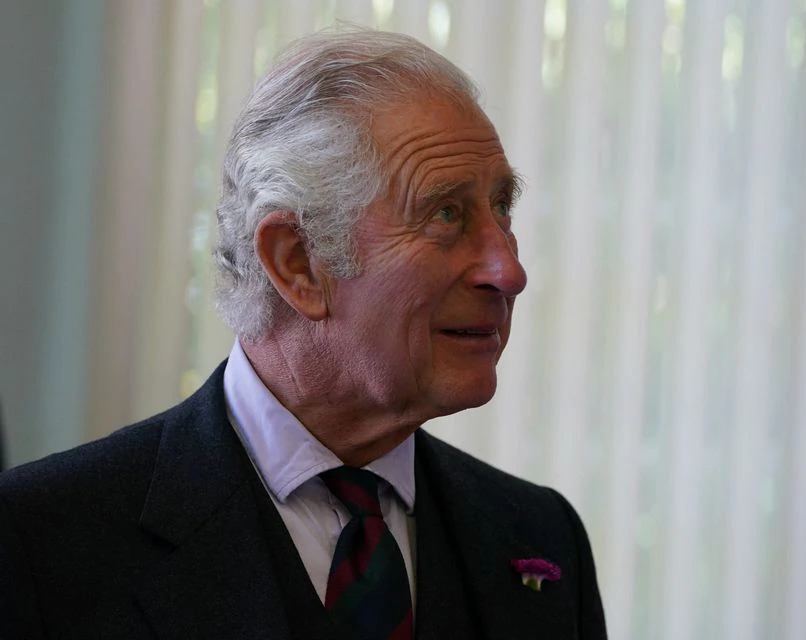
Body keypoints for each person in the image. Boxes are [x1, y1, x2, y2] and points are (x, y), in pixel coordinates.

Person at [0, 30, 606, 639]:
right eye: (445, 214)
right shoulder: (40, 542)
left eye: (502, 208)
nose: (508, 271)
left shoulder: (541, 540)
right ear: (297, 262)